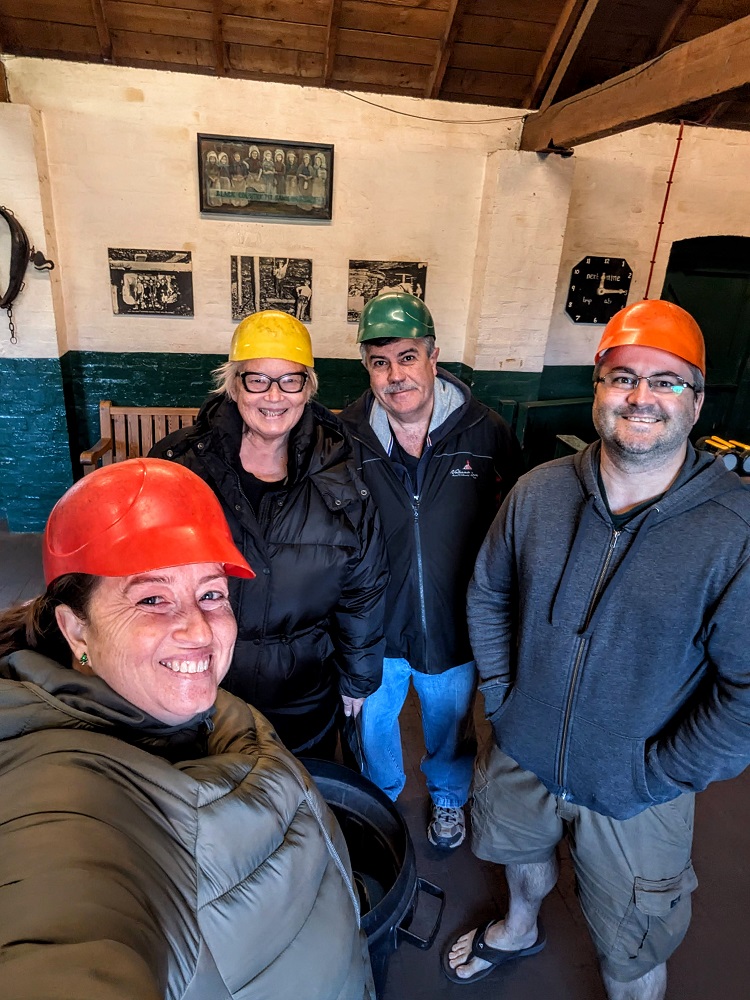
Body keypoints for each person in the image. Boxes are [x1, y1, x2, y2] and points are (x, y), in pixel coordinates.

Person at [445, 299, 750, 998]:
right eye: (622, 376)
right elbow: (488, 592)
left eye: (666, 381)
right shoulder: (537, 493)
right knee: (517, 853)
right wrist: (504, 695)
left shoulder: (735, 533)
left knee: (634, 939)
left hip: (637, 789)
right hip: (524, 746)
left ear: (696, 402)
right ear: (598, 389)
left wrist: (661, 772)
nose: (640, 397)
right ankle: (520, 928)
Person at [0, 458, 374, 999]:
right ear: (75, 628)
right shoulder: (60, 800)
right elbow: (69, 929)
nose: (197, 628)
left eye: (212, 594)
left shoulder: (199, 716)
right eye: (152, 598)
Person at [151, 311, 388, 759]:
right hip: (201, 684)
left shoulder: (341, 471)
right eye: (257, 379)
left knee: (301, 802)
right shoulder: (181, 466)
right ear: (234, 384)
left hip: (304, 692)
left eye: (290, 380)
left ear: (308, 387)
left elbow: (364, 587)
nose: (274, 395)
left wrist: (358, 678)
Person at [339, 292, 523, 849]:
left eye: (407, 357)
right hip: (374, 624)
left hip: (453, 620)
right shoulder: (345, 436)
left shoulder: (484, 432)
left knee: (450, 726)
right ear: (368, 369)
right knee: (374, 731)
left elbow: (517, 523)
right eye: (379, 362)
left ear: (432, 356)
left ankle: (447, 800)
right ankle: (380, 803)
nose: (395, 375)